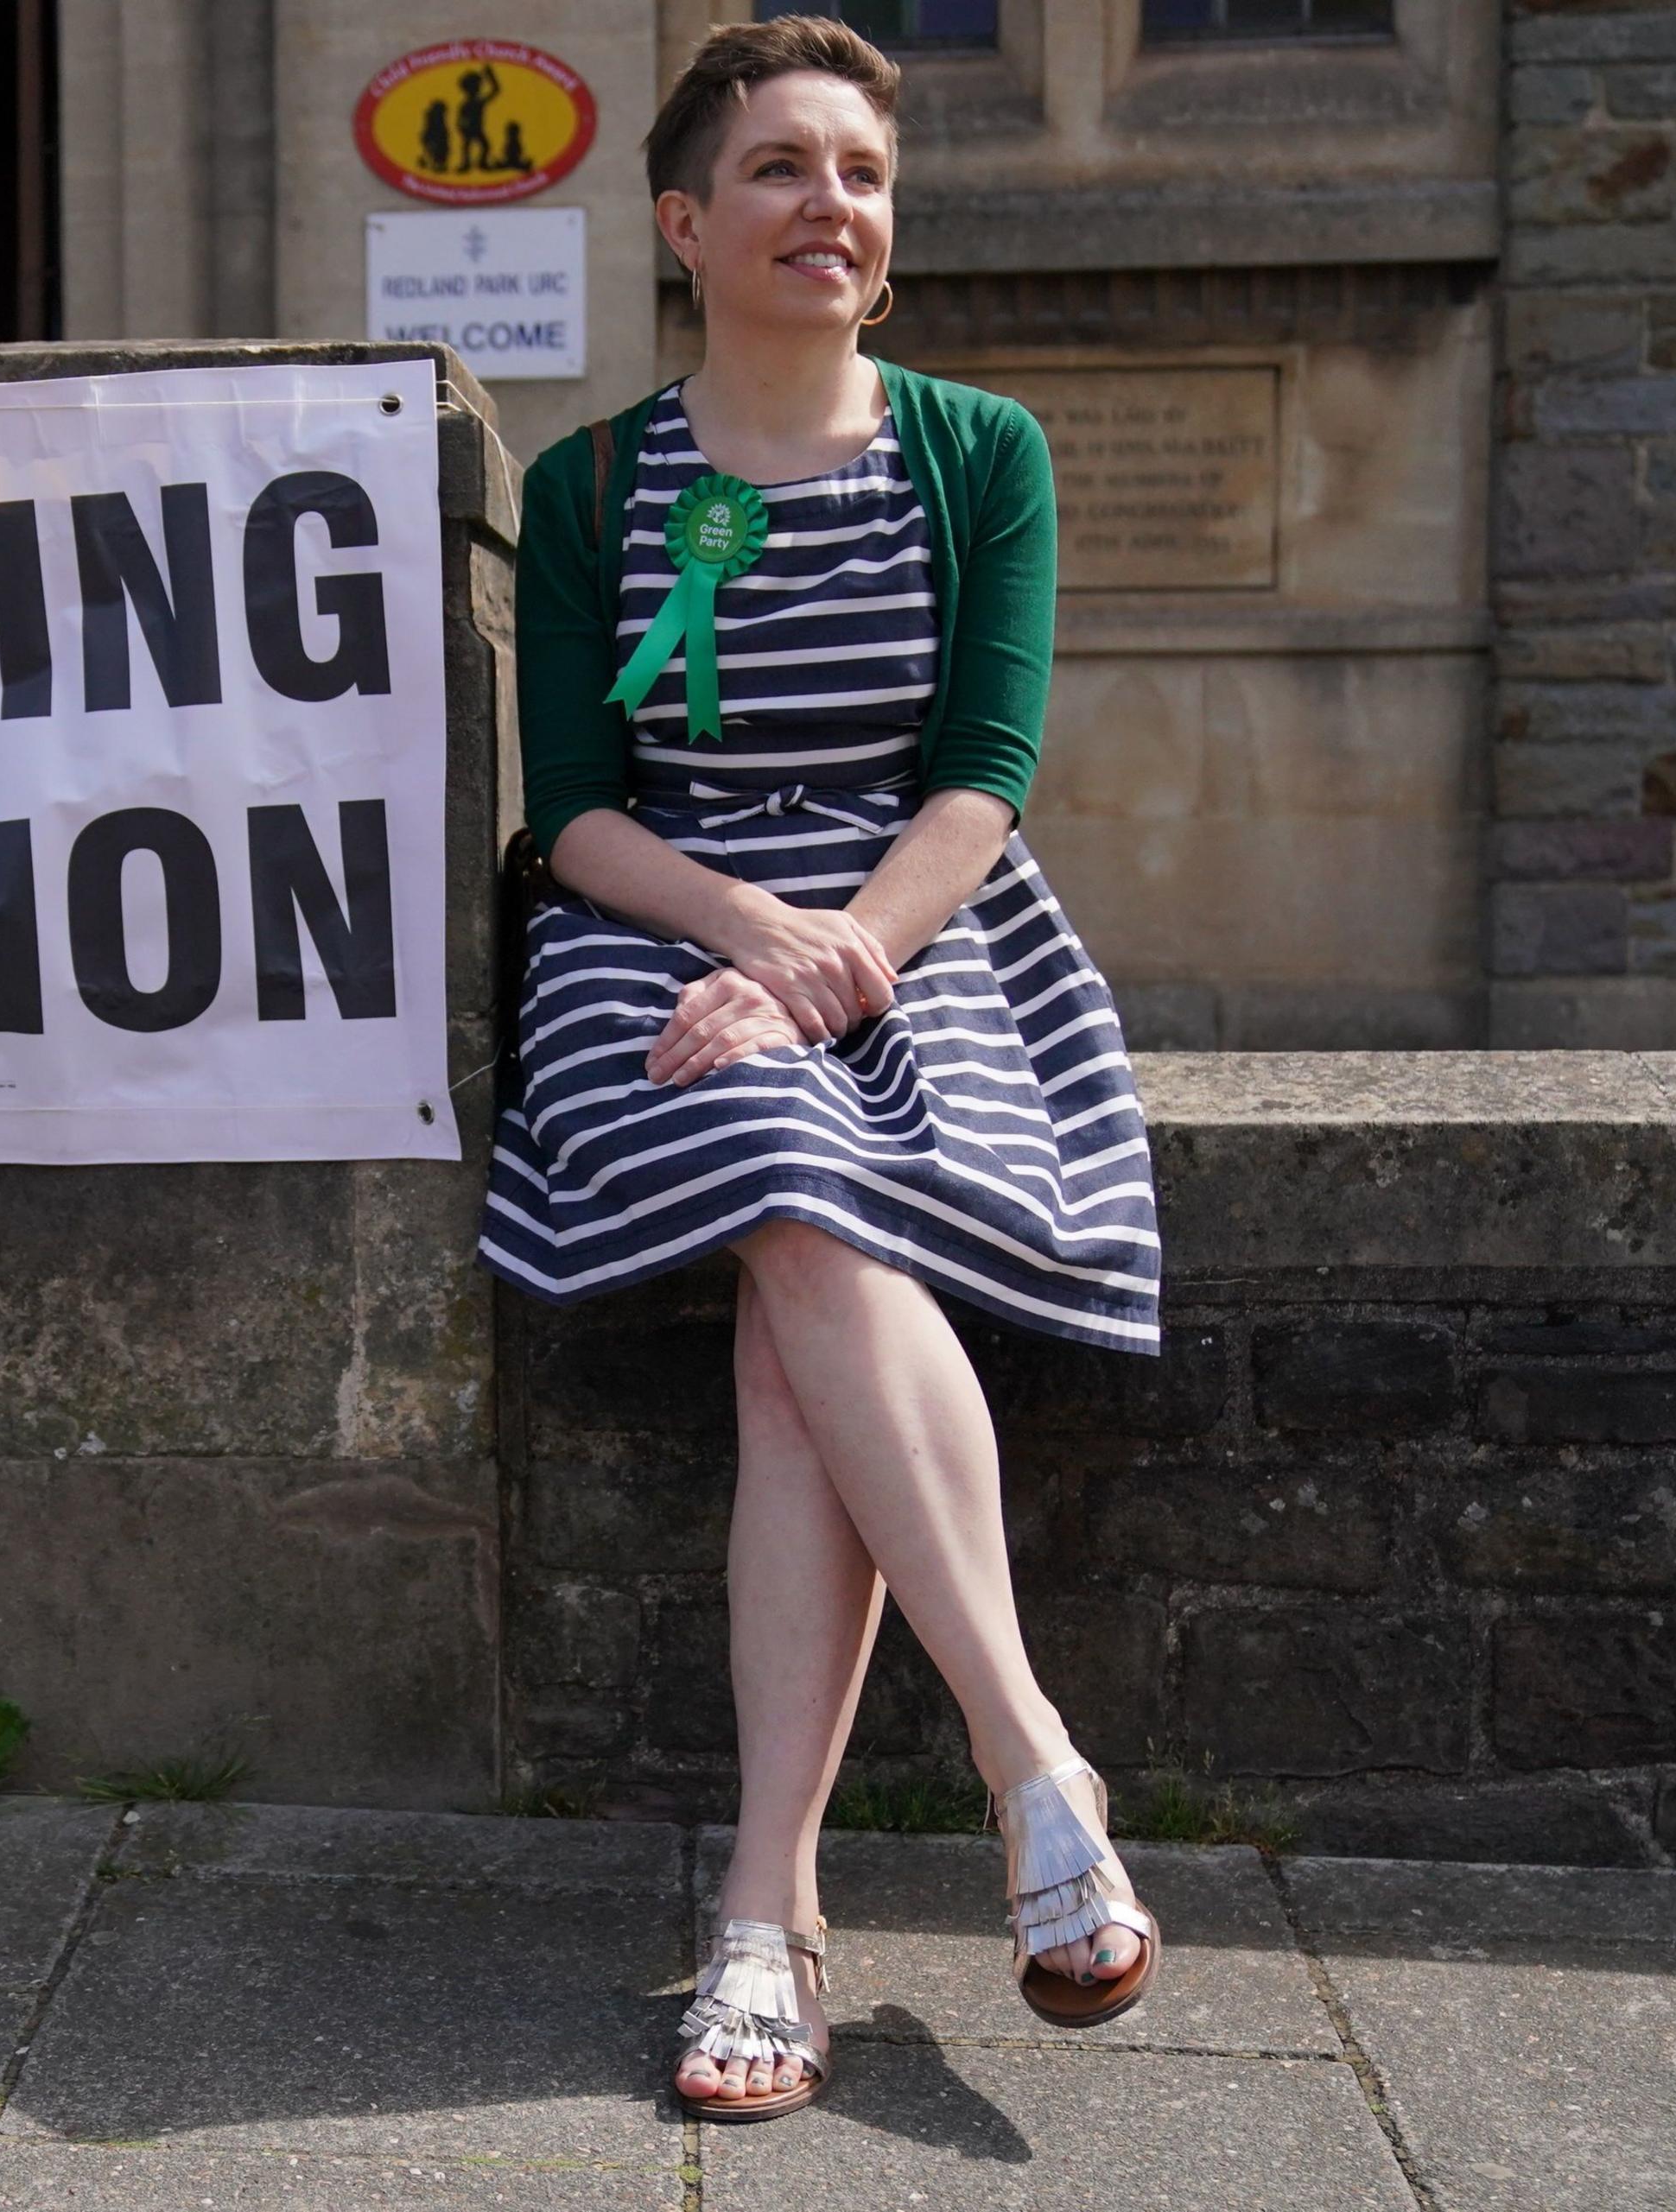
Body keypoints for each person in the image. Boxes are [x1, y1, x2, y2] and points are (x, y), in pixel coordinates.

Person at [476, 17, 1163, 2125]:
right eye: (779, 169)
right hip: (658, 934)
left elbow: (983, 775)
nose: (828, 207)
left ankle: (767, 1908)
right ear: (685, 223)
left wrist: (843, 950)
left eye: (859, 172)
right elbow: (573, 805)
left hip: (918, 925)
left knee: (800, 1290)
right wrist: (746, 941)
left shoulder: (983, 455)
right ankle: (1030, 1761)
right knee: (786, 1174)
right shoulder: (594, 486)